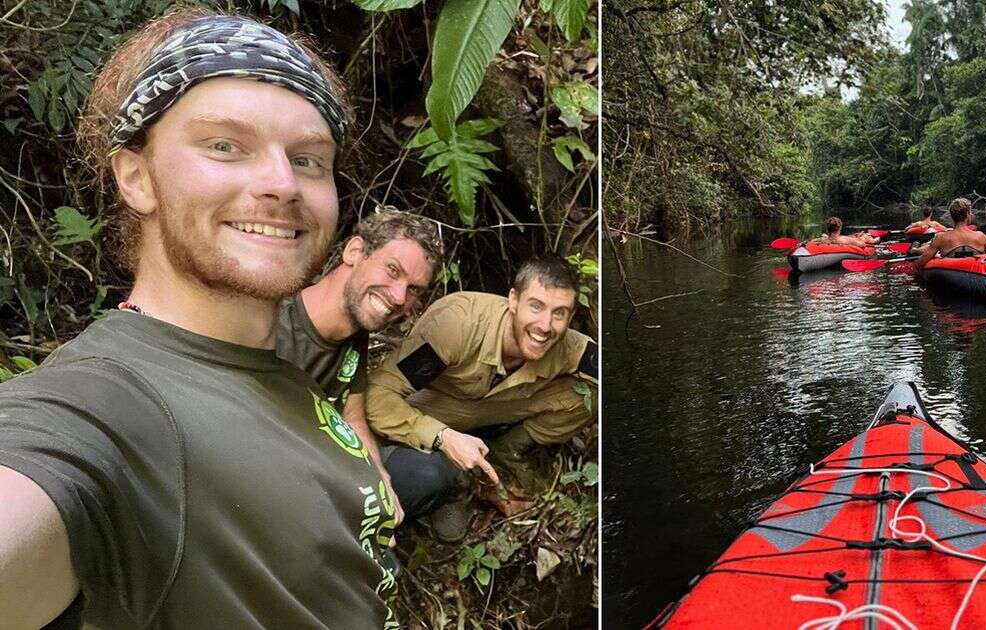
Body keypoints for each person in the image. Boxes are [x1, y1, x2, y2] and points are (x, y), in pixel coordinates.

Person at [0, 11, 401, 628]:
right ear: (137, 177)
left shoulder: (279, 366)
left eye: (309, 159)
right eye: (224, 146)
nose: (281, 183)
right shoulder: (107, 405)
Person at [365, 256, 598, 542]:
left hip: (497, 410)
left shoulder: (569, 345)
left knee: (591, 396)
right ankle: (455, 483)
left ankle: (507, 452)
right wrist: (442, 437)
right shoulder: (457, 325)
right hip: (436, 408)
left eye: (559, 313)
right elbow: (378, 393)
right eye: (535, 307)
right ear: (513, 300)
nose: (545, 326)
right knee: (426, 477)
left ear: (570, 317)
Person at [277, 209, 442, 505]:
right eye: (393, 270)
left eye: (414, 289)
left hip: (323, 467)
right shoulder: (271, 325)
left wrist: (377, 481)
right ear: (354, 251)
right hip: (278, 480)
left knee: (430, 473)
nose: (399, 297)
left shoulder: (355, 332)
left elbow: (351, 416)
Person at [913, 198, 986, 269]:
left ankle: (914, 249)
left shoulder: (941, 238)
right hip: (976, 274)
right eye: (970, 213)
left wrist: (936, 257)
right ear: (967, 214)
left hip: (950, 275)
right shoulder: (980, 236)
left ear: (952, 216)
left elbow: (921, 262)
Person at [811, 216, 880, 246]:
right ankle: (875, 240)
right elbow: (862, 245)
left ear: (828, 229)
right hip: (852, 241)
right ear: (840, 228)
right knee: (864, 236)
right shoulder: (846, 240)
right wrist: (859, 238)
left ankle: (864, 236)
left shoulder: (823, 239)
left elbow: (811, 241)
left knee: (856, 235)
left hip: (831, 238)